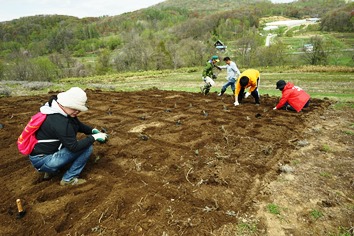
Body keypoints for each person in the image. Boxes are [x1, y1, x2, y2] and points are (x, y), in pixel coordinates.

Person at [28, 87, 108, 186]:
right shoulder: (60, 121)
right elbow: (74, 147)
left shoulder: (55, 110)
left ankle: (49, 171)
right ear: (66, 104)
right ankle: (68, 179)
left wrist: (92, 131)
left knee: (69, 141)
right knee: (87, 147)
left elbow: (78, 125)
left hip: (41, 156)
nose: (77, 111)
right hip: (43, 161)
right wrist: (94, 138)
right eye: (75, 108)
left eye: (79, 109)